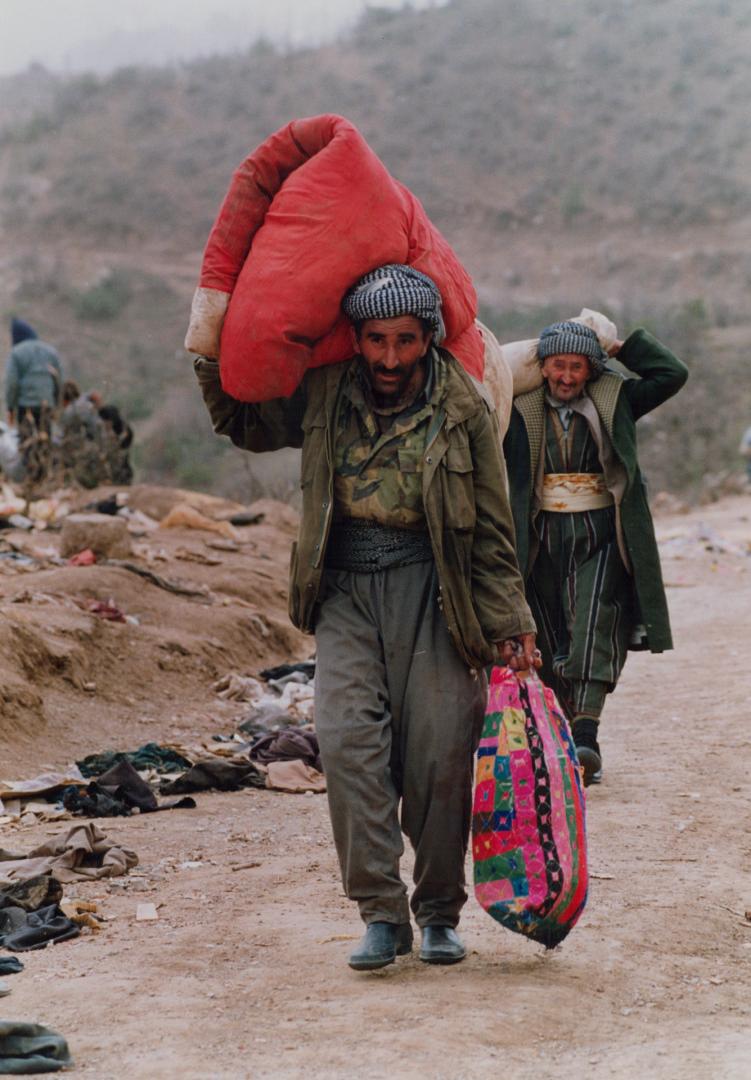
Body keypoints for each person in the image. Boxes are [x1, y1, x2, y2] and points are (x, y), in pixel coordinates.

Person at [195, 263, 537, 970]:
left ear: (427, 338)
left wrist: (510, 623)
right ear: (355, 338)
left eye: (404, 341)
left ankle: (439, 910)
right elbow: (245, 420)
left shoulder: (463, 406)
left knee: (441, 754)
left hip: (435, 590)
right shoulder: (324, 391)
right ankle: (380, 914)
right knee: (349, 746)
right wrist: (209, 349)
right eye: (375, 340)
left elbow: (493, 528)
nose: (388, 358)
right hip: (345, 588)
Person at [503, 321, 688, 785]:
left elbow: (671, 374)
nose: (567, 376)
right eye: (558, 365)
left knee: (593, 619)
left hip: (602, 531)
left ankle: (587, 733)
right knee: (547, 628)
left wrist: (621, 346)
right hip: (539, 535)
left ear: (591, 369)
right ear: (542, 368)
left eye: (577, 366)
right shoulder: (517, 411)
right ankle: (566, 737)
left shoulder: (615, 401)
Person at [5, 317, 63, 484]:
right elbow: (59, 380)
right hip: (47, 405)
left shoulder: (17, 353)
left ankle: (30, 480)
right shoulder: (50, 352)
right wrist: (56, 404)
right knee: (45, 442)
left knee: (28, 444)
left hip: (26, 406)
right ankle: (45, 478)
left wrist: (10, 407)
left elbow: (12, 384)